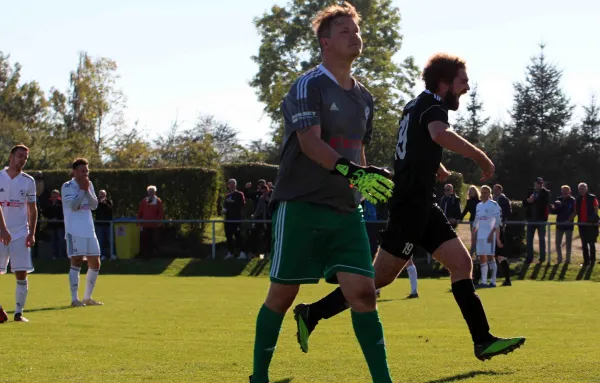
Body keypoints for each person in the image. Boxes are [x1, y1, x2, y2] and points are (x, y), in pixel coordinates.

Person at [293, 52, 525, 363]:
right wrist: (480, 156)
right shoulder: (433, 105)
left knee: (460, 264)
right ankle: (312, 313)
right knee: (378, 280)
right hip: (410, 206)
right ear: (445, 83)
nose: (467, 87)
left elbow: (418, 143)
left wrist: (439, 170)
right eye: (462, 81)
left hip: (421, 204)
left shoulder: (418, 103)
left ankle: (482, 340)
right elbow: (439, 134)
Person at [249, 3, 395, 382]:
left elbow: (357, 150)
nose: (354, 35)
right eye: (344, 30)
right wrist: (352, 171)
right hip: (301, 207)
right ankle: (258, 377)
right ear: (325, 42)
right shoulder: (308, 84)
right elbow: (311, 144)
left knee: (364, 294)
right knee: (283, 296)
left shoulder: (365, 98)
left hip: (347, 211)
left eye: (356, 30)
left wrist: (364, 184)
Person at [0, 145, 37, 323]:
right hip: (1, 233)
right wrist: (4, 230)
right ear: (11, 157)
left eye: (25, 158)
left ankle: (18, 312)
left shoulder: (28, 181)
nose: (23, 160)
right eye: (20, 156)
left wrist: (32, 233)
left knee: (21, 273)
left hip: (21, 233)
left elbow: (32, 208)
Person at [61, 158, 103, 307]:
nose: (85, 174)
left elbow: (94, 205)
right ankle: (74, 299)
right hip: (74, 230)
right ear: (75, 172)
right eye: (82, 171)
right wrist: (82, 190)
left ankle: (87, 297)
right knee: (77, 261)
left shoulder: (89, 184)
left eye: (87, 171)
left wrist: (87, 190)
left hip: (89, 230)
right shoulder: (67, 186)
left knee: (95, 263)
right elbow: (73, 205)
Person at [473, 186, 503, 288]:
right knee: (482, 257)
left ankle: (493, 281)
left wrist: (492, 234)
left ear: (489, 194)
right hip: (480, 236)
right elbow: (476, 221)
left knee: (490, 257)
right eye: (482, 192)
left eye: (486, 193)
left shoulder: (493, 204)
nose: (484, 194)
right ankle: (484, 281)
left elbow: (497, 222)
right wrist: (474, 233)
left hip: (489, 235)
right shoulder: (479, 205)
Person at [523, 177, 550, 264]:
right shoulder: (530, 191)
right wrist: (528, 200)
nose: (540, 184)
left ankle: (542, 258)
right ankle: (529, 258)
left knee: (541, 239)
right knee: (529, 239)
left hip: (541, 220)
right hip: (530, 219)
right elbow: (524, 203)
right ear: (535, 183)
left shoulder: (546, 193)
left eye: (541, 183)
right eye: (538, 183)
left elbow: (545, 203)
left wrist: (534, 200)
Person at [571, 183, 599, 266]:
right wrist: (569, 220)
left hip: (591, 224)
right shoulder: (578, 199)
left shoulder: (592, 198)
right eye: (580, 189)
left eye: (583, 188)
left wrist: (593, 220)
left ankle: (592, 261)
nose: (581, 190)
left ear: (586, 189)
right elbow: (575, 212)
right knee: (584, 244)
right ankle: (586, 261)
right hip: (582, 224)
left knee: (591, 243)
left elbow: (596, 209)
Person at [492, 184, 513, 286]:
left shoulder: (502, 201)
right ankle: (486, 279)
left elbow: (507, 213)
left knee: (500, 256)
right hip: (490, 231)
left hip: (498, 230)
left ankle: (507, 279)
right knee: (488, 256)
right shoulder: (489, 202)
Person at [550, 185, 576, 264]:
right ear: (561, 191)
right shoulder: (558, 199)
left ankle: (568, 260)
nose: (564, 192)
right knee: (557, 243)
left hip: (569, 224)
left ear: (569, 191)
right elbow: (554, 212)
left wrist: (569, 220)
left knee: (568, 243)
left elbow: (575, 212)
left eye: (566, 191)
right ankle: (560, 259)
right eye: (563, 191)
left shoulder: (573, 200)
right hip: (559, 224)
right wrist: (553, 208)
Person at [137, 185, 164, 259]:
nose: (150, 193)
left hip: (154, 225)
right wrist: (139, 220)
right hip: (145, 224)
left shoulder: (158, 201)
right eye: (149, 191)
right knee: (145, 241)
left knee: (155, 240)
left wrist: (157, 221)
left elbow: (160, 212)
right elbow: (140, 212)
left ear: (155, 192)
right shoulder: (144, 201)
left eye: (152, 191)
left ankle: (156, 255)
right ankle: (146, 256)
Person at [223, 179, 247, 260]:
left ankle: (242, 253)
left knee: (238, 235)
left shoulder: (239, 194)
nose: (231, 186)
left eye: (233, 184)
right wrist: (224, 210)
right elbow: (225, 205)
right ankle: (230, 253)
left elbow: (242, 204)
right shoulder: (227, 195)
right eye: (230, 184)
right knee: (228, 236)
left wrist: (233, 202)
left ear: (235, 185)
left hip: (236, 219)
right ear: (228, 185)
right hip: (228, 219)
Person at [95, 189, 114, 261]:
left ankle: (112, 254)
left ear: (105, 195)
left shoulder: (109, 201)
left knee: (110, 240)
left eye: (102, 194)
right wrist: (98, 203)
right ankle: (101, 255)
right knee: (100, 240)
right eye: (100, 194)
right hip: (99, 224)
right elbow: (93, 210)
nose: (101, 195)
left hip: (108, 224)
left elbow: (110, 209)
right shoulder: (96, 202)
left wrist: (103, 203)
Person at [461, 185, 481, 255]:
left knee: (479, 237)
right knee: (473, 238)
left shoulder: (480, 201)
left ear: (475, 192)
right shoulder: (469, 201)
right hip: (472, 221)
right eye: (470, 191)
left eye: (472, 191)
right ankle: (473, 252)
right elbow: (465, 211)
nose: (471, 192)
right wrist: (459, 218)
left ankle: (476, 253)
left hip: (480, 222)